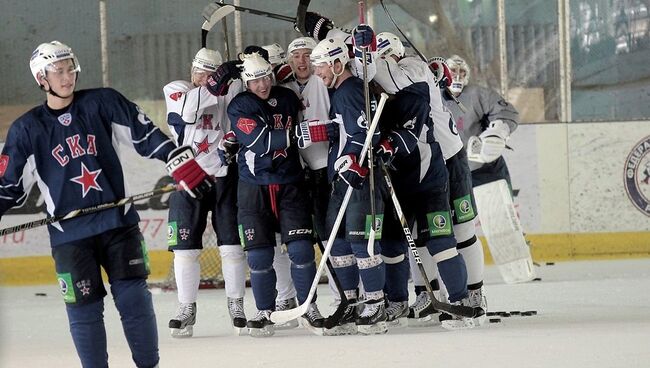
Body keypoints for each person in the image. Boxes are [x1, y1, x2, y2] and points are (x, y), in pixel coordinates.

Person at [0, 41, 212, 367]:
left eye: (70, 68)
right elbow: (8, 187)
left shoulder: (102, 102)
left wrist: (175, 157)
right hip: (70, 237)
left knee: (133, 298)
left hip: (118, 224)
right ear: (42, 78)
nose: (68, 76)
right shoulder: (27, 130)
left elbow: (144, 134)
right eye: (59, 71)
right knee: (84, 309)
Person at [372, 33, 483, 329]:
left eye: (386, 58)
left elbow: (388, 74)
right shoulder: (392, 81)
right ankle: (427, 293)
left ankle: (473, 295)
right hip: (412, 162)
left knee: (459, 231)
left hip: (447, 156)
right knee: (417, 235)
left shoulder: (412, 70)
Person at [226, 52, 325, 337]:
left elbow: (310, 102)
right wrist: (303, 133)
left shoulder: (287, 96)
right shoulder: (239, 106)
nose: (262, 85)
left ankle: (309, 307)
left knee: (301, 251)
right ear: (246, 82)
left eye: (265, 78)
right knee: (258, 256)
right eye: (255, 80)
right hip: (253, 186)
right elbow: (260, 142)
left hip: (291, 183)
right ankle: (264, 311)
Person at [163, 47, 248, 337]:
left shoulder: (230, 89)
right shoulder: (175, 91)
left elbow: (240, 117)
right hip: (189, 178)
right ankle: (186, 307)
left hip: (225, 177)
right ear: (192, 72)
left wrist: (243, 65)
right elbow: (187, 115)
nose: (203, 79)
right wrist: (216, 82)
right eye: (200, 73)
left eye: (210, 75)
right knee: (185, 251)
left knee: (232, 248)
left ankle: (236, 305)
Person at [309, 35, 388, 335]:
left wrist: (352, 160)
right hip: (341, 179)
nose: (318, 74)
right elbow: (348, 128)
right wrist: (326, 133)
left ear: (338, 63)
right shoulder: (343, 92)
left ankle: (375, 303)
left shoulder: (351, 89)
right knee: (337, 241)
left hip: (358, 179)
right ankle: (351, 301)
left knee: (360, 242)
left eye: (322, 67)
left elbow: (367, 132)